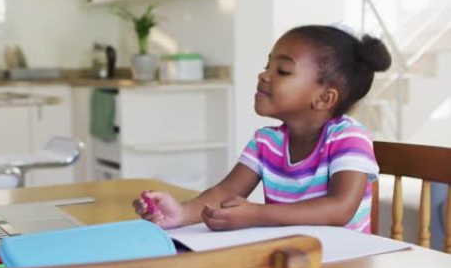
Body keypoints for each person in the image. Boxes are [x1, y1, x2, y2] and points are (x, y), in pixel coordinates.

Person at [134, 25, 391, 233]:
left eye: (283, 70)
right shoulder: (266, 142)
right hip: (291, 257)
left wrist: (257, 214)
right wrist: (181, 212)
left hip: (348, 263)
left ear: (324, 99)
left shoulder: (349, 138)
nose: (264, 75)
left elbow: (339, 208)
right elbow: (224, 192)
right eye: (267, 66)